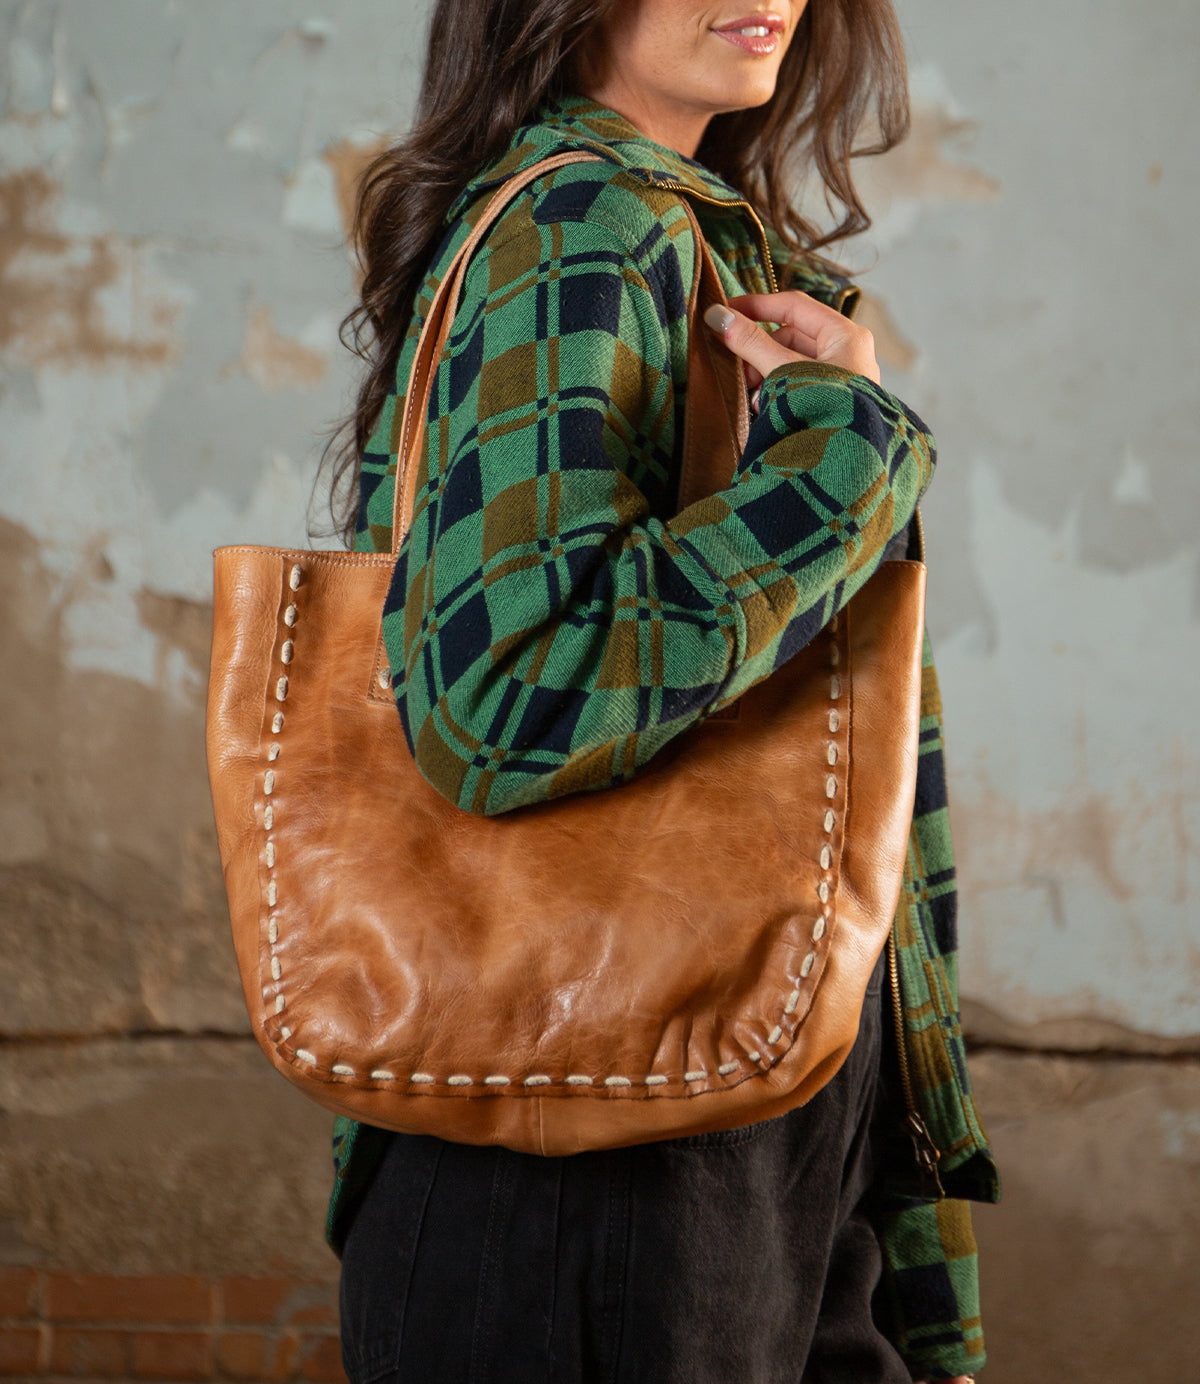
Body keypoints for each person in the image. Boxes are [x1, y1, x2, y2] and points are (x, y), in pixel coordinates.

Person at [322, 2, 999, 1380]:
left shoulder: (698, 245)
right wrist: (849, 458)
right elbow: (506, 698)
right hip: (598, 1147)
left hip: (714, 1089)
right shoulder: (583, 223)